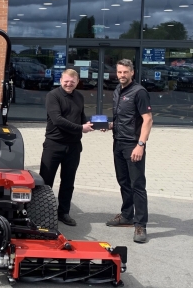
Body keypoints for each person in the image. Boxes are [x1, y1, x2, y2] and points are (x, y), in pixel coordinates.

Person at [104, 59, 153, 243]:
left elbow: (147, 120)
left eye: (125, 72)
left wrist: (140, 144)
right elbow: (122, 118)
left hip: (133, 144)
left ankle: (140, 225)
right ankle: (126, 215)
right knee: (123, 181)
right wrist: (110, 125)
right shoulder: (117, 91)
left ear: (132, 72)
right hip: (118, 142)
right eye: (119, 72)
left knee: (137, 185)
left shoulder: (139, 92)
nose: (122, 75)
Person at [39, 68, 94, 226]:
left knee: (68, 182)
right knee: (46, 181)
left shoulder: (79, 96)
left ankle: (63, 212)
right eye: (66, 81)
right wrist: (80, 128)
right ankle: (42, 213)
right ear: (61, 80)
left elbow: (80, 116)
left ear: (77, 82)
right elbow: (57, 119)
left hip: (74, 146)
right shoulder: (53, 96)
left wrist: (90, 125)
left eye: (72, 81)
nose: (69, 84)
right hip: (54, 145)